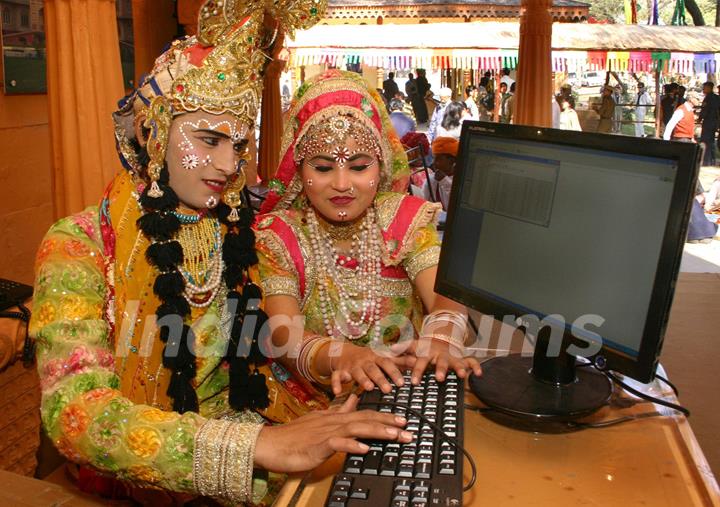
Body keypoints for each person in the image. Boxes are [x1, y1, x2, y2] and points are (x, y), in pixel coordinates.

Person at [28, 7, 410, 505]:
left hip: (256, 429)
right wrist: (254, 446)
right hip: (156, 473)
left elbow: (272, 342)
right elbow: (76, 414)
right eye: (208, 140)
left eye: (239, 144)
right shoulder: (79, 244)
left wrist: (336, 367)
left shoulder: (238, 231)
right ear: (151, 131)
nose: (229, 164)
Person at [255, 70, 482, 398]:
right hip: (306, 409)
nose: (342, 184)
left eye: (359, 167)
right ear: (299, 168)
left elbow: (443, 295)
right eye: (322, 168)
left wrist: (443, 339)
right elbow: (284, 335)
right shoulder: (280, 236)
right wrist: (346, 356)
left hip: (398, 393)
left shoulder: (402, 219)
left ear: (381, 164)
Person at [427, 137, 458, 211]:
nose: (434, 163)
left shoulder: (461, 181)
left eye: (438, 159)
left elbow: (455, 206)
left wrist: (444, 181)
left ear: (451, 161)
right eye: (434, 158)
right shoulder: (431, 180)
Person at [699, 81, 720, 166]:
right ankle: (711, 160)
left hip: (709, 121)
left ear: (709, 88)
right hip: (714, 122)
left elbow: (705, 110)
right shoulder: (717, 97)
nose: (703, 89)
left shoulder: (708, 98)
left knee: (706, 141)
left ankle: (706, 161)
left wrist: (700, 118)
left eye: (704, 87)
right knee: (711, 142)